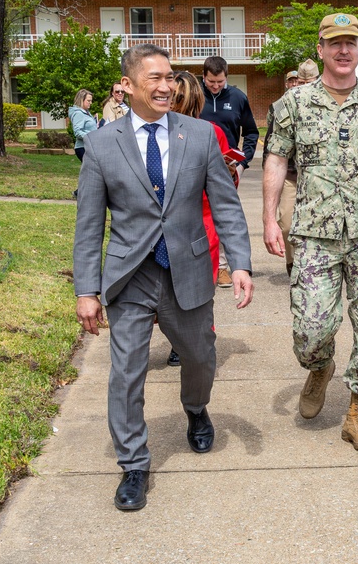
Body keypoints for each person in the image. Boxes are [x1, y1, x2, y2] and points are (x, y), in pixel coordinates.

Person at [73, 44, 253, 512]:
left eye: (169, 77)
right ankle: (133, 464)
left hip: (187, 271)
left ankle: (195, 409)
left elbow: (227, 206)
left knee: (200, 357)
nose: (165, 86)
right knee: (126, 373)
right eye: (153, 78)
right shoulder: (100, 144)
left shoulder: (200, 135)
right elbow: (90, 224)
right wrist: (87, 290)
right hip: (129, 278)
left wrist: (241, 264)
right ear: (128, 86)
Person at [263, 13, 358, 453]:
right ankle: (320, 367)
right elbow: (275, 161)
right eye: (335, 43)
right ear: (320, 49)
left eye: (351, 42)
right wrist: (271, 219)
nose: (343, 50)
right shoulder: (292, 106)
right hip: (314, 233)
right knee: (311, 331)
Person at [164, 70, 240, 367]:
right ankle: (180, 340)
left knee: (200, 288)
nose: (173, 103)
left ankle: (195, 342)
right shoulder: (155, 132)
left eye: (179, 98)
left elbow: (225, 190)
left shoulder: (210, 132)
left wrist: (229, 170)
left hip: (203, 220)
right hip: (171, 221)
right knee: (169, 285)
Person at [200, 55, 260, 288]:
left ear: (227, 77)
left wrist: (243, 161)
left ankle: (223, 267)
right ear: (204, 77)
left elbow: (252, 132)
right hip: (198, 162)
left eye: (220, 82)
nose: (215, 86)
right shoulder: (195, 95)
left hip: (229, 165)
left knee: (223, 212)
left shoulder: (237, 97)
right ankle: (206, 263)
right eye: (211, 82)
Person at [261, 67, 307, 275]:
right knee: (287, 224)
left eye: (303, 81)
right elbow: (271, 141)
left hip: (314, 177)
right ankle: (291, 261)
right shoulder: (281, 106)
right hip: (289, 174)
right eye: (294, 81)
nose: (297, 85)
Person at [69, 88, 96, 163]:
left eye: (91, 101)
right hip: (83, 147)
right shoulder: (78, 114)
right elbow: (77, 132)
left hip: (89, 147)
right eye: (88, 101)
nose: (91, 103)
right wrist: (91, 137)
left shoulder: (86, 112)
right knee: (91, 170)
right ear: (81, 100)